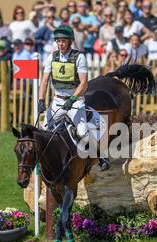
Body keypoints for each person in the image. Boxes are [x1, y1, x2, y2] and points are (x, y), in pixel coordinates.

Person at [38, 25, 110, 171]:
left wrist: (72, 99)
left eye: (63, 41)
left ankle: (101, 156)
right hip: (58, 100)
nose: (60, 44)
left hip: (75, 101)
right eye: (58, 41)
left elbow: (83, 83)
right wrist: (40, 99)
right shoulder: (52, 57)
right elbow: (44, 80)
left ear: (70, 42)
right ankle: (41, 162)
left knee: (83, 132)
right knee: (44, 131)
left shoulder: (79, 57)